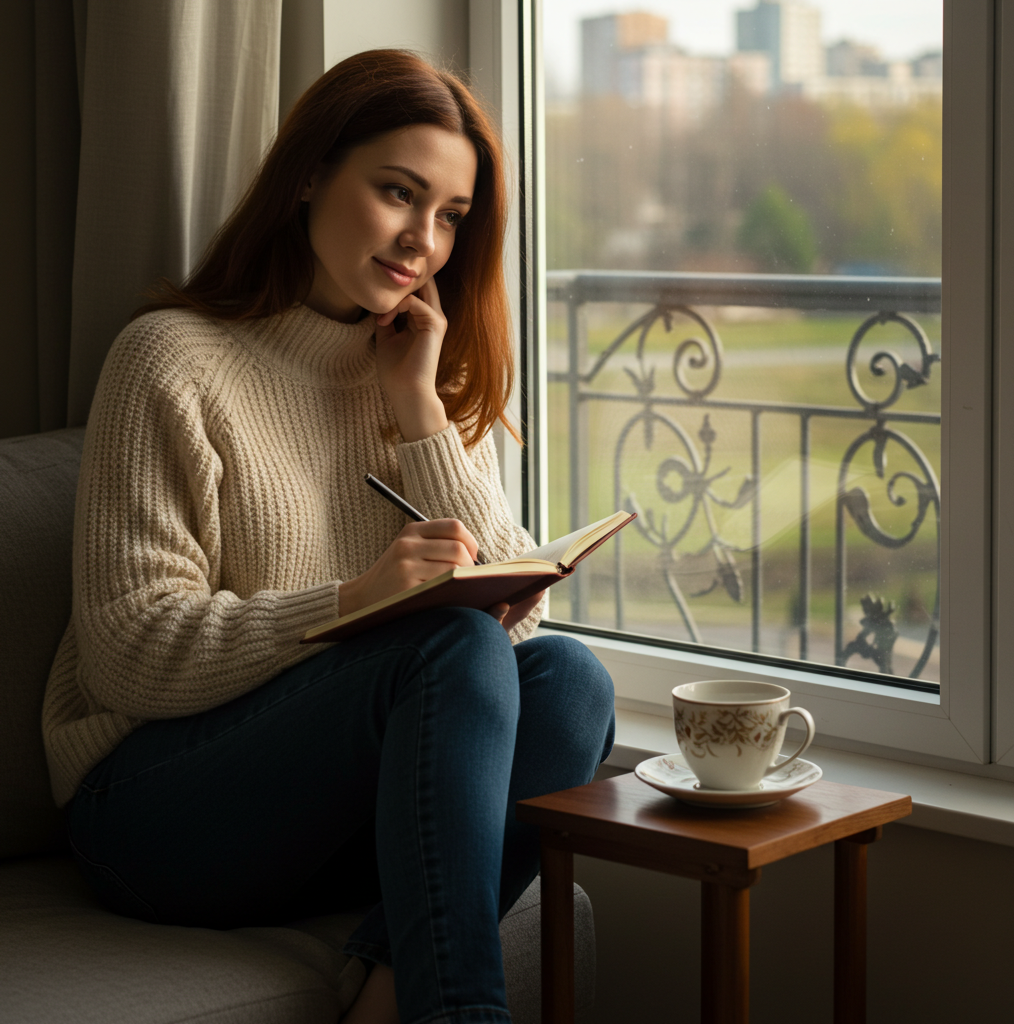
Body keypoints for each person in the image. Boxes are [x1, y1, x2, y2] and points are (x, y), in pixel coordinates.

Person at [42, 48, 615, 1024]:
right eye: (398, 193)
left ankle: (387, 988)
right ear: (310, 173)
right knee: (449, 642)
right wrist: (357, 601)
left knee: (573, 682)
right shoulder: (170, 359)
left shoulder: (411, 372)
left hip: (320, 823)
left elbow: (514, 630)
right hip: (147, 809)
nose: (422, 239)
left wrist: (419, 413)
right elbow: (127, 655)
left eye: (450, 216)